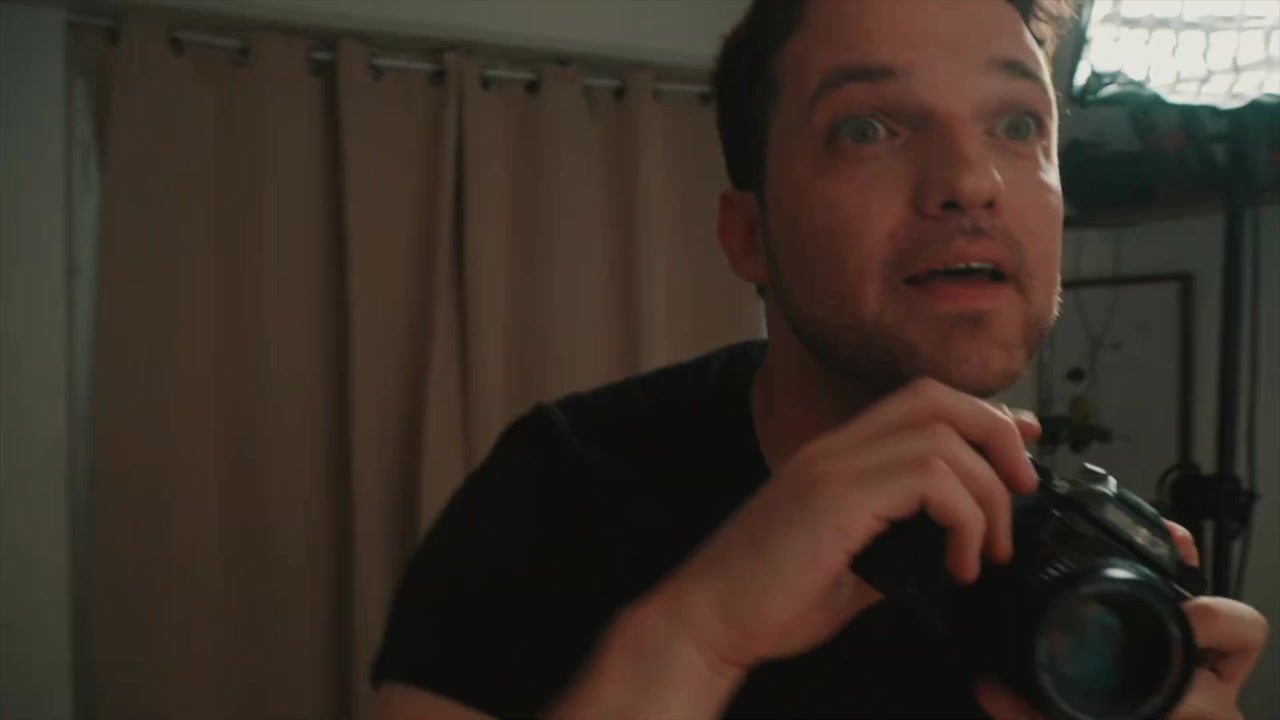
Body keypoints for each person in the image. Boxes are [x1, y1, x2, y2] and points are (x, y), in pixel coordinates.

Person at [372, 0, 1270, 718]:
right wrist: (693, 640)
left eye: (1017, 123)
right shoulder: (562, 489)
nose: (972, 182)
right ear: (750, 236)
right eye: (868, 128)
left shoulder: (1094, 596)